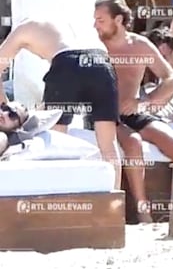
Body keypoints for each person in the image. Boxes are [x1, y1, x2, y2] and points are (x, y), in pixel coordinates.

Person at [94, 0, 173, 225]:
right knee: (133, 142)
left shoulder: (140, 45)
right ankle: (143, 212)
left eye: (100, 20)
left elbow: (171, 80)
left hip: (134, 110)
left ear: (118, 20)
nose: (95, 25)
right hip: (105, 113)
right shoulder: (95, 47)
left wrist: (145, 101)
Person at [0, 19, 121, 187]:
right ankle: (115, 199)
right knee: (108, 145)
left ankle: (57, 196)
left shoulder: (23, 28)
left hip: (67, 61)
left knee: (56, 140)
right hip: (102, 63)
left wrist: (5, 105)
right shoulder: (72, 26)